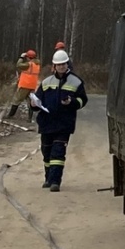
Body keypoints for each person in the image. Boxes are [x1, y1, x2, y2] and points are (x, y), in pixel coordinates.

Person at [32, 48, 88, 192]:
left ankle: (55, 181)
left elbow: (83, 100)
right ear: (54, 66)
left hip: (64, 124)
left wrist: (72, 102)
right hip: (47, 124)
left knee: (58, 153)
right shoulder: (46, 82)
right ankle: (48, 178)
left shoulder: (76, 82)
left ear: (67, 64)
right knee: (47, 152)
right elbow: (38, 102)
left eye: (64, 64)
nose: (62, 66)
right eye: (59, 64)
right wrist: (33, 105)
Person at [2, 49, 40, 122]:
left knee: (17, 100)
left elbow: (18, 65)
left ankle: (10, 115)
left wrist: (21, 57)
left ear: (29, 57)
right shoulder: (37, 65)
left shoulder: (28, 64)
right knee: (30, 102)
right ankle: (29, 118)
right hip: (32, 86)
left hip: (24, 85)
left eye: (27, 57)